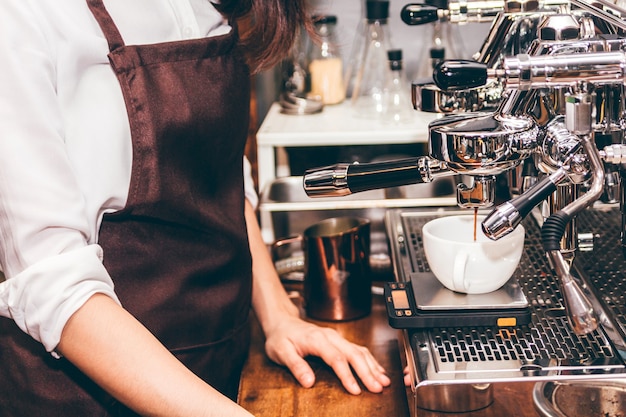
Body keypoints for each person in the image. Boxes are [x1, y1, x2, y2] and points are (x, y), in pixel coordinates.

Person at [0, 1, 390, 416]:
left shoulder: (203, 6)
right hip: (92, 396)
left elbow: (218, 174)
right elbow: (53, 283)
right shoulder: (23, 15)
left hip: (223, 367)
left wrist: (277, 315)